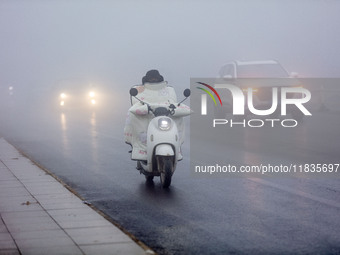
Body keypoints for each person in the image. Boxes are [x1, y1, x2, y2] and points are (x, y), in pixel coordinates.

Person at [124, 70, 184, 161]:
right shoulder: (140, 90)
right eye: (151, 78)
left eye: (155, 78)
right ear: (147, 79)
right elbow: (137, 103)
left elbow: (172, 101)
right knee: (133, 114)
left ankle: (175, 145)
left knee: (179, 117)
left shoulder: (168, 90)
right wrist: (144, 108)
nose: (153, 80)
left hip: (164, 115)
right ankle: (141, 148)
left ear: (159, 79)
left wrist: (175, 108)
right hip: (147, 114)